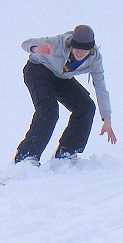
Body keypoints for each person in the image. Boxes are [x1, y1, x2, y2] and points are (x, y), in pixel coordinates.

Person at [15, 24, 116, 165]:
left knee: (86, 107)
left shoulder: (95, 60)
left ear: (91, 49)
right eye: (77, 48)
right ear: (71, 44)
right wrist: (37, 49)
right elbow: (26, 44)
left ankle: (66, 153)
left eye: (84, 50)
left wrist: (107, 117)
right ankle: (26, 157)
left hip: (62, 78)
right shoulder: (59, 42)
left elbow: (100, 87)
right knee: (49, 110)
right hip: (38, 70)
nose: (80, 53)